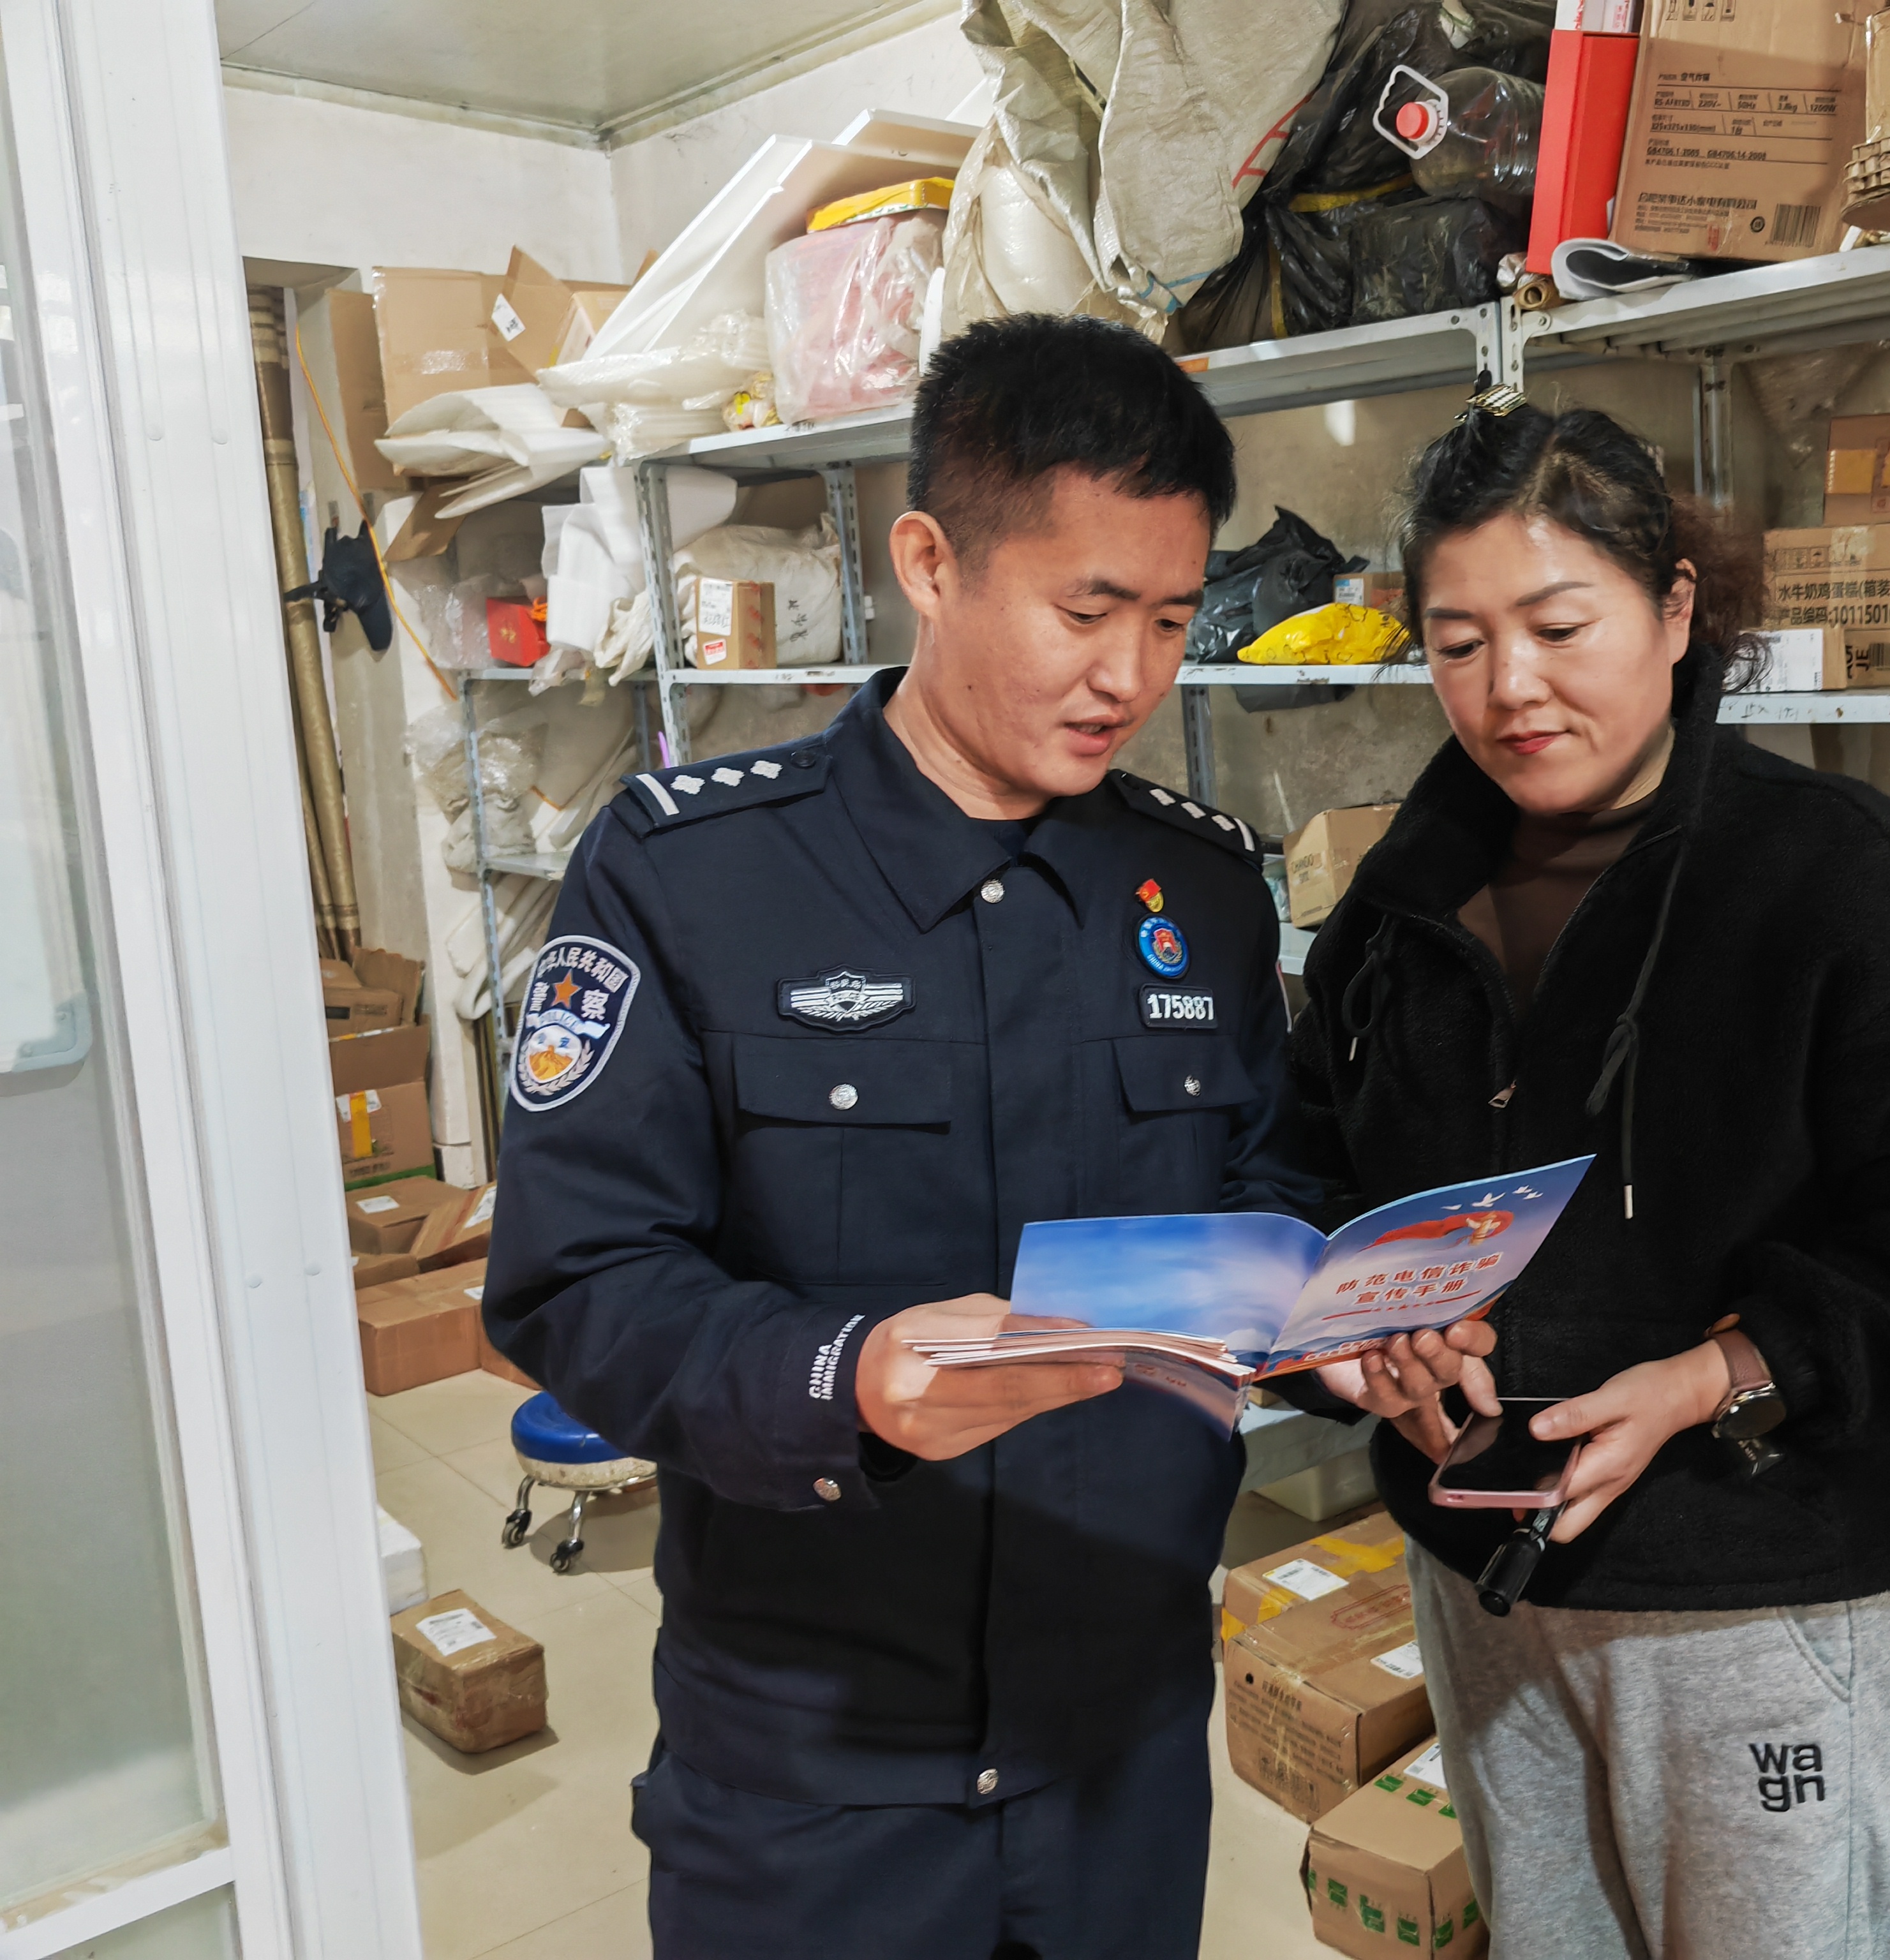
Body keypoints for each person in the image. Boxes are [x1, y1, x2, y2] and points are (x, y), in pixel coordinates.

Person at [484, 314, 1484, 1959]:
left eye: (1171, 619)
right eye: (1085, 612)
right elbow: (578, 1275)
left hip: (1120, 1740)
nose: (1130, 677)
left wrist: (1342, 1330)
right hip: (818, 1761)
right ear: (930, 565)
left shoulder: (1200, 887)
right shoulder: (692, 879)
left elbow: (1257, 1194)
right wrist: (845, 1377)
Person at [1289, 397, 1890, 1959]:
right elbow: (1317, 1161)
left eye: (1557, 627)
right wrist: (1363, 1336)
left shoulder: (1839, 878)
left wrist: (1722, 1373)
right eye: (1456, 643)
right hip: (1479, 1572)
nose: (1508, 688)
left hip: (1746, 1585)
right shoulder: (1401, 899)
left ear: (1671, 613)